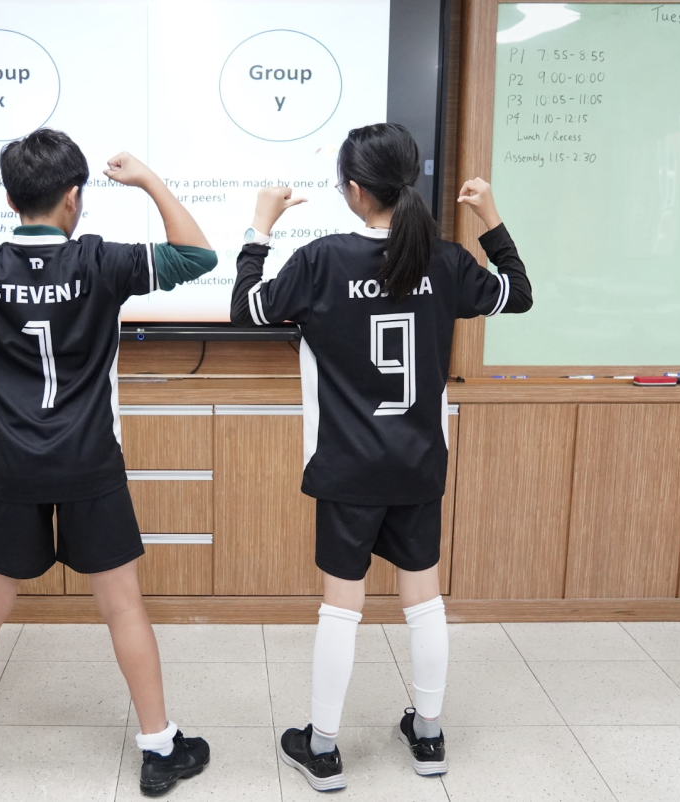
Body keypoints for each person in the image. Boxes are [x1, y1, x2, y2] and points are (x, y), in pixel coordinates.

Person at [0, 128, 216, 797]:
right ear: (74, 198)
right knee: (124, 609)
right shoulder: (101, 262)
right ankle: (159, 747)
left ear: (9, 196)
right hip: (90, 466)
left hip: (9, 468)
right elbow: (197, 256)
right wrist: (147, 180)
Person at [230, 123, 532, 791]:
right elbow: (519, 292)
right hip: (419, 464)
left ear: (355, 190)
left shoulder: (322, 260)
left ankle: (326, 748)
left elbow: (246, 307)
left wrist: (258, 227)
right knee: (423, 600)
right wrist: (491, 218)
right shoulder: (448, 260)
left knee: (343, 606)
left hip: (347, 468)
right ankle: (428, 736)